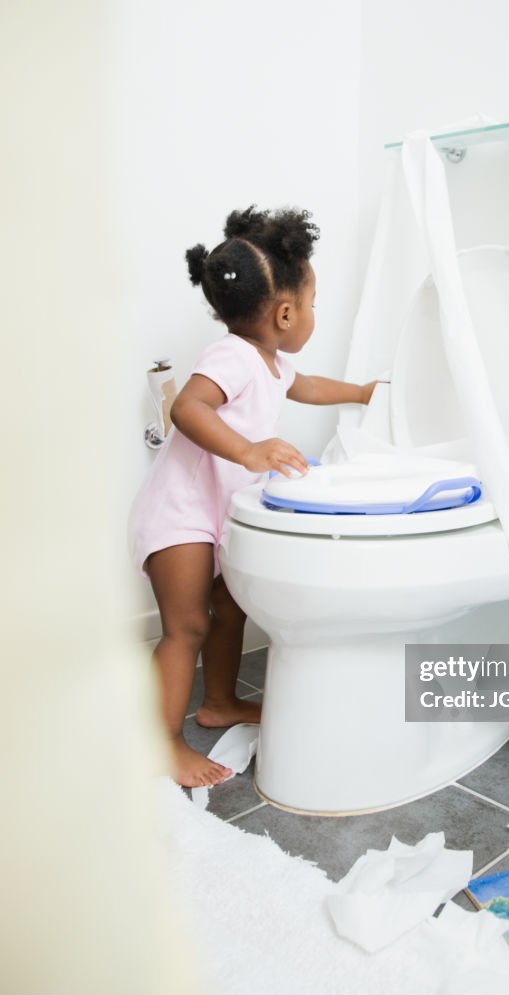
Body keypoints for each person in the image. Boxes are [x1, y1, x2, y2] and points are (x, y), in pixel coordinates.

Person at [129, 206, 375, 788]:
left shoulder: (270, 361)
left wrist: (364, 391)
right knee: (185, 627)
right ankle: (162, 742)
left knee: (230, 609)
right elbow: (187, 407)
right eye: (313, 304)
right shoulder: (230, 357)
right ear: (286, 311)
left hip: (218, 515)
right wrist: (248, 451)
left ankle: (218, 702)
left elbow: (307, 386)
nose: (313, 314)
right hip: (180, 515)